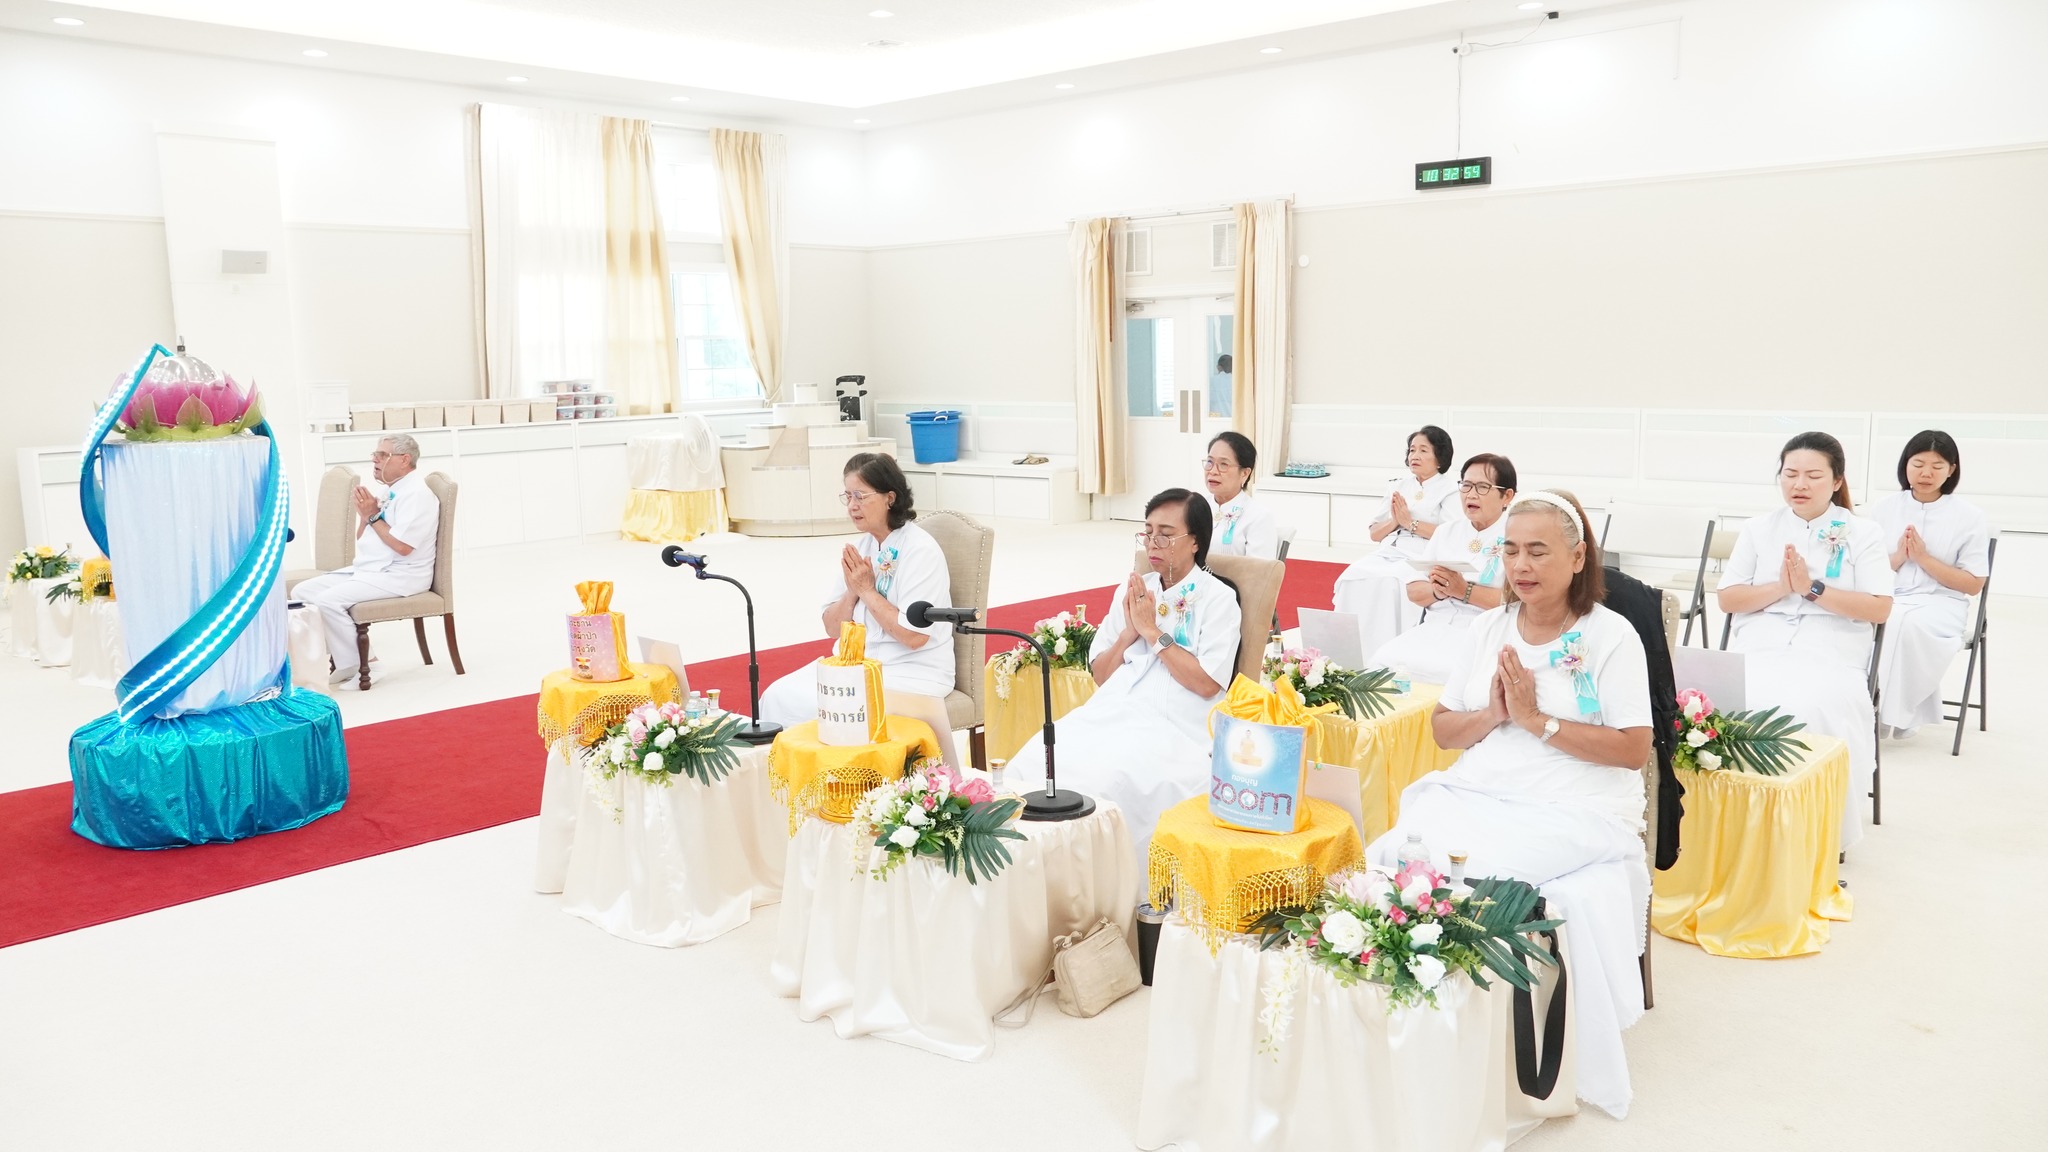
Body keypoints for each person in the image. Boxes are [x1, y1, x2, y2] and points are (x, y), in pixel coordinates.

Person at [1369, 489, 1653, 1119]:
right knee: (1393, 852)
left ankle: (1480, 1034)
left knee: (1478, 872)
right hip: (1483, 784)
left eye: (1538, 551)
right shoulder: (1488, 626)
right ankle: (1406, 1015)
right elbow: (1444, 730)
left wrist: (1535, 720)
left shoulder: (1611, 636)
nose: (1521, 565)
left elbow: (1634, 750)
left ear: (1577, 558)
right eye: (1511, 549)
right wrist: (1494, 714)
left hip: (1578, 804)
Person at [1008, 489, 1241, 859]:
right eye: (1147, 532)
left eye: (1165, 533)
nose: (1153, 542)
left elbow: (1206, 682)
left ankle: (1101, 888)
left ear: (1195, 541)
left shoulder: (1218, 598)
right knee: (1034, 761)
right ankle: (1036, 867)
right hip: (1114, 708)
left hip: (1176, 722)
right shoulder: (1135, 589)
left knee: (1105, 781)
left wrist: (1151, 632)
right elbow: (1100, 673)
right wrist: (1128, 634)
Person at [1717, 432, 1892, 850]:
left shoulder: (1863, 533)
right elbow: (1728, 598)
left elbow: (1879, 608)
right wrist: (1781, 588)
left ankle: (1805, 832)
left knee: (1809, 706)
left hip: (1832, 641)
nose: (1799, 484)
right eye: (1790, 473)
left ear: (1836, 482)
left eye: (1813, 475)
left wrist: (1812, 589)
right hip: (1763, 636)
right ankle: (1730, 823)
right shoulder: (1759, 528)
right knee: (1727, 701)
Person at [758, 452, 960, 764]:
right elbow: (830, 626)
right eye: (847, 496)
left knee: (828, 708)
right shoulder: (862, 547)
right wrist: (852, 593)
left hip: (911, 670)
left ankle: (849, 791)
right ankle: (801, 792)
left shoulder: (921, 550)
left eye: (860, 496)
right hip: (855, 665)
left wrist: (866, 590)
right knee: (778, 696)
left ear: (889, 498)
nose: (852, 505)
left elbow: (915, 636)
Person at [1867, 431, 1990, 738]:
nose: (1925, 473)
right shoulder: (1882, 508)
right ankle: (1869, 708)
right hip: (1889, 594)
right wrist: (1899, 556)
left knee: (1900, 625)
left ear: (1952, 470)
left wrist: (1923, 558)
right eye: (1918, 463)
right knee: (1870, 620)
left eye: (1937, 465)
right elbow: (1865, 570)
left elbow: (1973, 584)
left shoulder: (1969, 516)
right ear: (1905, 465)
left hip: (1942, 603)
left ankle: (1886, 715)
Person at [296, 434, 440, 688]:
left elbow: (403, 547)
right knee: (302, 592)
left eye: (382, 455)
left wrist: (373, 516)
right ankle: (346, 661)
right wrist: (365, 517)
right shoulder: (389, 490)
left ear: (405, 459)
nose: (375, 459)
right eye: (375, 454)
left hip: (402, 574)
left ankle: (368, 664)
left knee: (327, 600)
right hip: (373, 569)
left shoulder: (417, 495)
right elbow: (363, 537)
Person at [1368, 453, 1517, 683]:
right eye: (1466, 486)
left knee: (1450, 674)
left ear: (1507, 496)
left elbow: (1517, 603)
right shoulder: (1447, 532)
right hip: (1435, 627)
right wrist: (1440, 590)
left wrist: (1462, 590)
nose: (1471, 494)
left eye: (1482, 487)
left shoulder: (1517, 537)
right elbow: (1414, 590)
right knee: (1381, 662)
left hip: (1485, 632)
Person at [1331, 425, 1461, 658]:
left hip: (1422, 554)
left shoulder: (1451, 490)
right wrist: (1395, 521)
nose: (1415, 456)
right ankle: (1346, 654)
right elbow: (1374, 534)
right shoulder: (1397, 486)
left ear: (1440, 458)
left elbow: (1451, 534)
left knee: (1392, 582)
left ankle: (1387, 655)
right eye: (1412, 450)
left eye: (1423, 450)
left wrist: (1410, 523)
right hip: (1390, 549)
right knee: (1353, 575)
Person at [1202, 431, 1284, 560]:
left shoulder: (1258, 517)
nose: (1212, 471)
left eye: (1223, 464)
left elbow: (1259, 573)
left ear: (1244, 473)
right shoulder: (1196, 507)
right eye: (1209, 462)